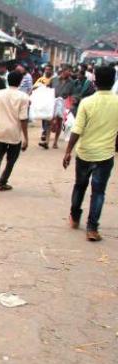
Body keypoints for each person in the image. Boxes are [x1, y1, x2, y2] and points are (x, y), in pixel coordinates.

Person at [62, 66, 118, 242]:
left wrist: (68, 151)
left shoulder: (87, 102)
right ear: (113, 81)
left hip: (85, 153)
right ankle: (92, 228)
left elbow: (77, 130)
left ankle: (74, 217)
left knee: (80, 185)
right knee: (98, 192)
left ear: (94, 82)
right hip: (105, 155)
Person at [0, 71, 30, 196]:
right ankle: (2, 182)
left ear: (8, 80)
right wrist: (26, 138)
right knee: (11, 160)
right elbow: (23, 119)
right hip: (14, 134)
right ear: (20, 82)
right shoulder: (24, 97)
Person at [47, 65, 75, 149]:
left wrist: (71, 105)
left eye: (70, 71)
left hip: (63, 103)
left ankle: (55, 142)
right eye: (68, 71)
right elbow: (48, 89)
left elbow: (72, 95)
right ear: (63, 70)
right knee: (49, 121)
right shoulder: (53, 79)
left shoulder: (72, 83)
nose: (70, 73)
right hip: (53, 102)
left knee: (59, 123)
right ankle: (47, 141)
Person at [34, 65, 55, 148]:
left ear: (52, 71)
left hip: (51, 102)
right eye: (46, 69)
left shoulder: (54, 79)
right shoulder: (41, 79)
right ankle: (45, 132)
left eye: (49, 69)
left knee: (49, 119)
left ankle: (46, 137)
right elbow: (34, 87)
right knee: (44, 118)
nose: (47, 71)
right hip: (43, 102)